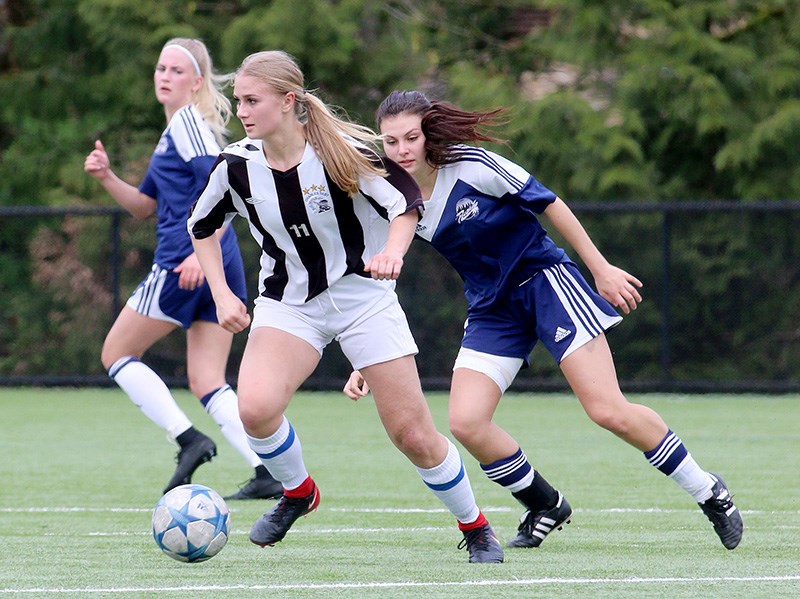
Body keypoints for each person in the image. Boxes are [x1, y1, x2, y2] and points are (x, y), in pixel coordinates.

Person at [344, 90, 744, 551]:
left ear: (428, 131)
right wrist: (368, 356)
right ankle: (545, 503)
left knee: (607, 410)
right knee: (467, 423)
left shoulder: (472, 165)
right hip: (492, 309)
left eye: (410, 138)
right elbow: (386, 265)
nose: (401, 151)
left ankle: (708, 490)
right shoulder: (394, 195)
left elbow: (549, 202)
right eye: (391, 142)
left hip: (546, 284)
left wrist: (600, 269)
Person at [186, 50, 504, 563]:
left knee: (413, 436)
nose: (241, 110)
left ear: (288, 101)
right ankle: (298, 492)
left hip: (364, 301)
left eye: (252, 100)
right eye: (238, 100)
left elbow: (405, 207)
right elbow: (201, 228)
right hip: (289, 303)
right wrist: (223, 294)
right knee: (255, 408)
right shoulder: (236, 166)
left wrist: (392, 254)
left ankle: (477, 527)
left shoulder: (341, 152)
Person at [84, 37, 281, 501]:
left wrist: (198, 252)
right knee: (209, 380)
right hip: (217, 258)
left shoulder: (189, 124)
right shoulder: (179, 127)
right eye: (160, 68)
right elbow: (145, 206)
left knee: (115, 355)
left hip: (185, 260)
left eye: (176, 70)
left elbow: (221, 185)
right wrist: (108, 177)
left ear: (196, 83)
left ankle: (187, 438)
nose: (164, 76)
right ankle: (267, 470)